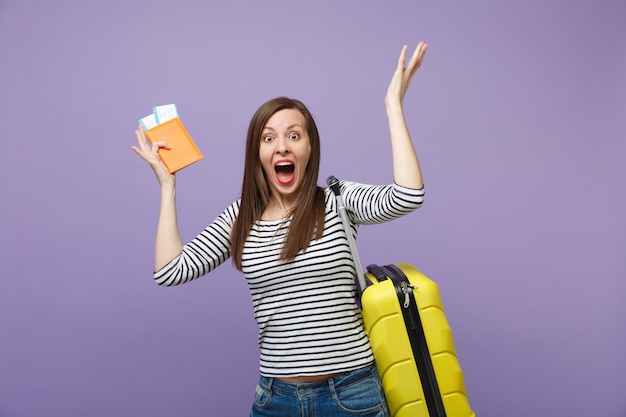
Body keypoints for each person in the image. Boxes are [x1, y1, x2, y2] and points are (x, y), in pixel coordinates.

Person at [132, 41, 428, 417]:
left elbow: (408, 196)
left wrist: (393, 107)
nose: (282, 146)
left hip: (352, 395)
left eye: (294, 135)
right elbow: (169, 271)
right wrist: (167, 187)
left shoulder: (337, 201)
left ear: (309, 147)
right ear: (258, 153)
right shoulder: (241, 218)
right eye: (269, 138)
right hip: (276, 401)